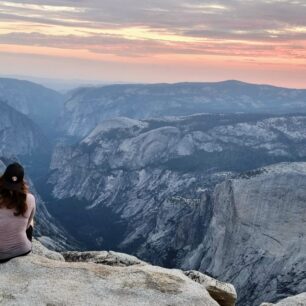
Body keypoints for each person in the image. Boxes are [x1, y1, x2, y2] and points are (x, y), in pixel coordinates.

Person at [0, 162, 36, 263]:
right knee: (31, 220)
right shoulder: (30, 198)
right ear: (21, 182)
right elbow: (28, 225)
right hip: (21, 250)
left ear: (3, 178)